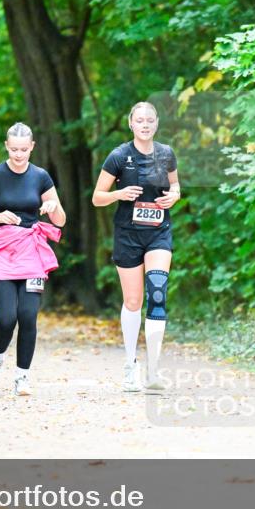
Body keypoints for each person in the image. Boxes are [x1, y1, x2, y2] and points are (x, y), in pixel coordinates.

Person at [0, 123, 66, 396]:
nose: (19, 155)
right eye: (14, 150)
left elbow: (61, 220)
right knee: (6, 318)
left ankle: (22, 377)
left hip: (32, 251)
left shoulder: (41, 177)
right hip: (1, 250)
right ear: (6, 146)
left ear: (32, 147)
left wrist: (52, 207)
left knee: (27, 316)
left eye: (24, 149)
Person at [92, 101, 181, 393]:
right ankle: (130, 365)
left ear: (156, 124)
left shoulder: (166, 154)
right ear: (131, 123)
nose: (145, 125)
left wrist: (174, 197)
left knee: (157, 291)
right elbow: (97, 197)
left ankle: (154, 370)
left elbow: (175, 186)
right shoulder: (119, 156)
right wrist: (119, 193)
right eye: (139, 120)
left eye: (150, 120)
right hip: (128, 235)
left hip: (158, 233)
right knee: (133, 301)